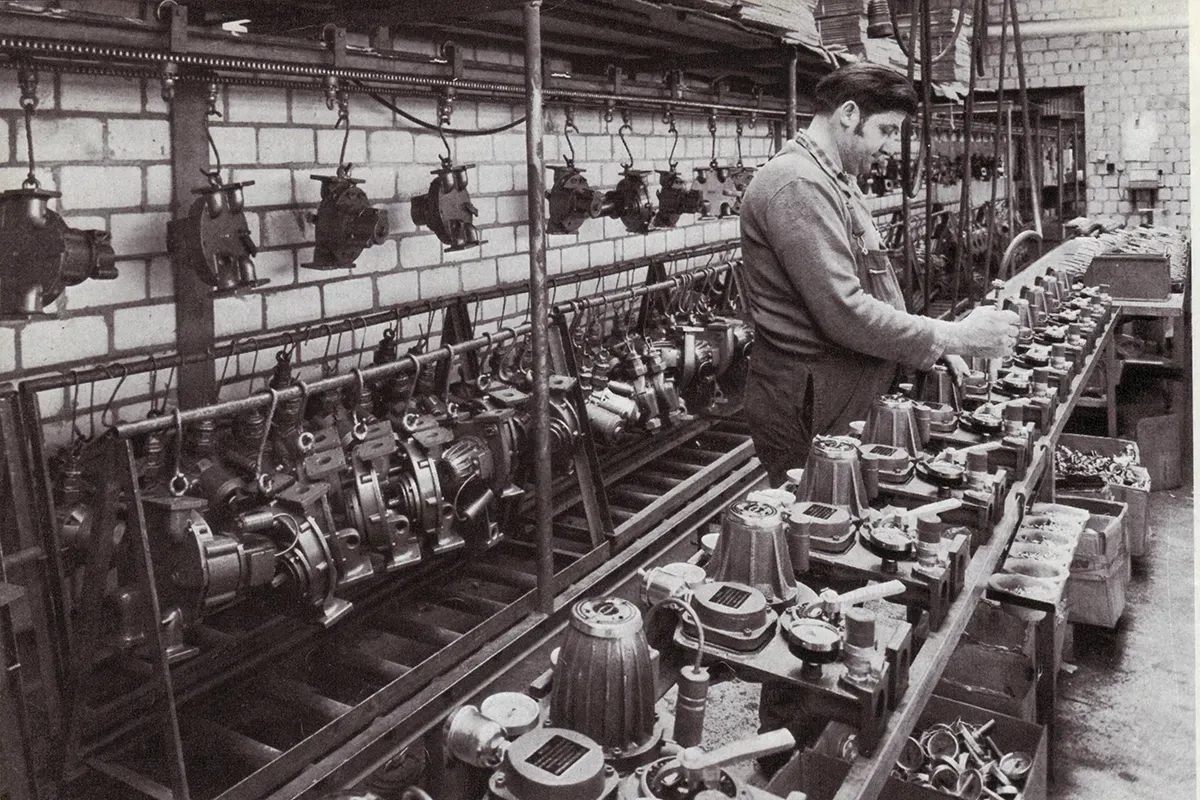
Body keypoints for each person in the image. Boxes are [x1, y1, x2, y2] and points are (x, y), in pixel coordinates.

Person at [738, 62, 1019, 487]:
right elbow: (845, 311)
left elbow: (879, 283)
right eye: (886, 130)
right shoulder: (797, 183)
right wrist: (952, 335)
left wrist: (932, 346)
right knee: (821, 528)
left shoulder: (836, 181)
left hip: (840, 392)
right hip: (810, 403)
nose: (889, 146)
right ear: (849, 114)